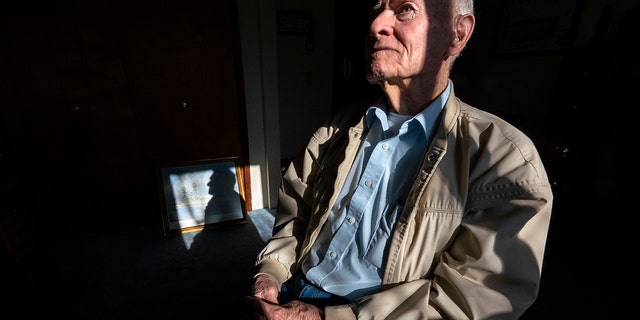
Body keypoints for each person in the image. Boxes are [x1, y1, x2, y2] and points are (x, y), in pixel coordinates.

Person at [244, 0, 553, 319]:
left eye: (405, 9)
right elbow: (296, 212)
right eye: (374, 10)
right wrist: (271, 271)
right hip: (292, 288)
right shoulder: (338, 127)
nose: (376, 25)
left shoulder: (504, 157)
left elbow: (475, 299)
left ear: (457, 34)